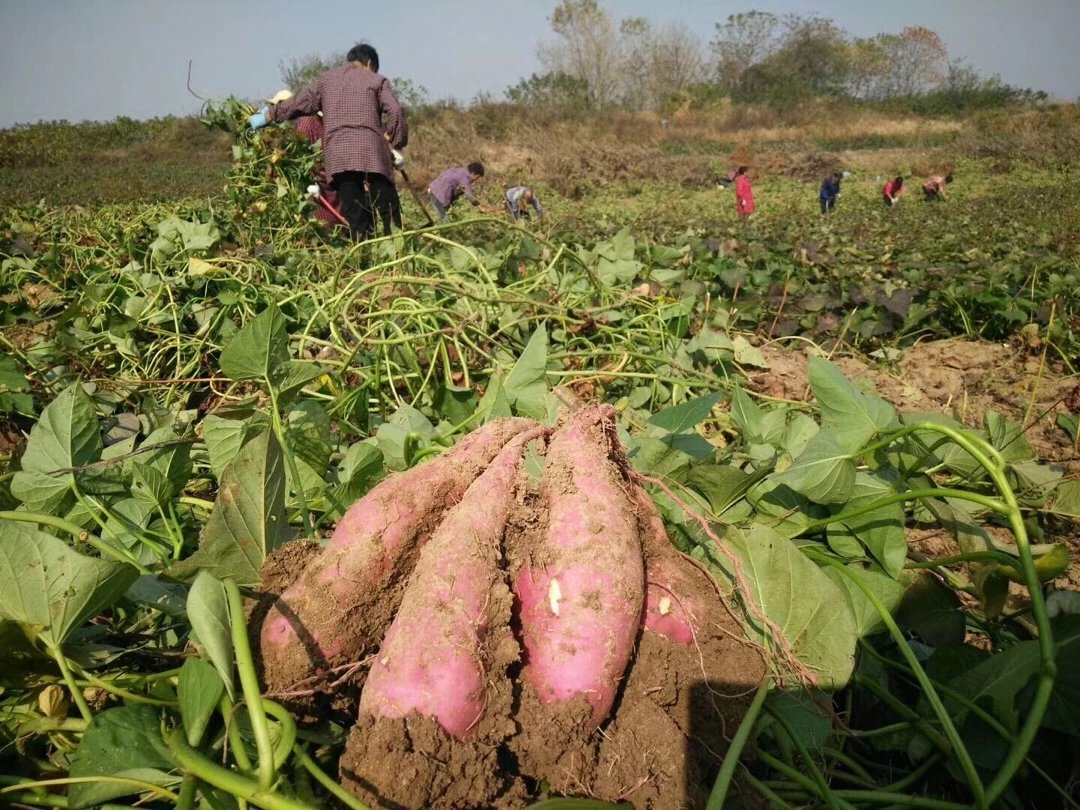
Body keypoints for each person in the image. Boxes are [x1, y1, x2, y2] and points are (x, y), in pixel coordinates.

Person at [249, 43, 408, 241]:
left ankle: (365, 259)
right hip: (372, 155)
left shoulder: (327, 80)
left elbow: (298, 102)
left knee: (356, 215)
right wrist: (396, 140)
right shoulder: (377, 80)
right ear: (370, 64)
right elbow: (395, 110)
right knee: (389, 213)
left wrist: (268, 115)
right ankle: (398, 253)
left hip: (339, 158)